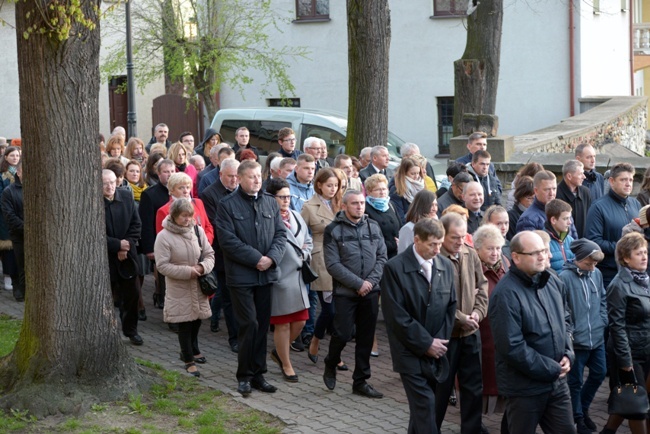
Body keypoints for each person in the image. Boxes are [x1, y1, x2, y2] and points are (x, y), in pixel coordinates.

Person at [489, 231, 575, 434]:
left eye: (544, 251)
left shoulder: (552, 281)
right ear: (516, 257)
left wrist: (568, 353)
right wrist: (552, 369)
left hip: (557, 384)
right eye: (535, 253)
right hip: (524, 388)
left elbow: (566, 321)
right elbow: (512, 346)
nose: (543, 256)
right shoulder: (505, 294)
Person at [216, 160, 287, 397]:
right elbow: (228, 241)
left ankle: (259, 374)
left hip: (265, 275)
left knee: (263, 326)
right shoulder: (227, 205)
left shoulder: (270, 202)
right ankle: (244, 376)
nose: (257, 180)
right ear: (240, 178)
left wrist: (272, 258)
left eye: (259, 176)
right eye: (251, 177)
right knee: (249, 324)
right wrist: (257, 258)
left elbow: (280, 234)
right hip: (242, 276)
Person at [380, 218, 456, 434]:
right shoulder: (394, 268)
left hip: (436, 352)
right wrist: (426, 343)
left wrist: (439, 342)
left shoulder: (446, 266)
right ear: (416, 240)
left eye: (440, 244)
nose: (437, 249)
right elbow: (396, 316)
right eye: (432, 244)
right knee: (425, 406)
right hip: (408, 352)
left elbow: (450, 307)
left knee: (421, 410)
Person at [322, 190, 388, 398]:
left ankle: (360, 381)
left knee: (366, 338)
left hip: (370, 291)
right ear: (344, 206)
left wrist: (369, 282)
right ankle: (331, 362)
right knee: (341, 333)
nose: (360, 207)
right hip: (345, 293)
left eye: (362, 203)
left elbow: (382, 257)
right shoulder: (333, 230)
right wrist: (358, 284)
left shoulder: (373, 226)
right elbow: (332, 264)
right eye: (354, 203)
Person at [435, 212, 488, 434]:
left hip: (470, 333)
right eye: (454, 237)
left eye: (463, 236)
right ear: (442, 235)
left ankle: (472, 428)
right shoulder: (435, 259)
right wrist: (461, 318)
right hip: (445, 337)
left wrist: (477, 313)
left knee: (473, 386)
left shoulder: (470, 253)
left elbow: (482, 285)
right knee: (441, 388)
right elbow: (435, 299)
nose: (460, 242)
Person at [154, 198, 215, 377]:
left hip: (197, 286)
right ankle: (188, 360)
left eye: (190, 216)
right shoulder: (164, 237)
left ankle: (190, 350)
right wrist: (189, 271)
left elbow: (209, 254)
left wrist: (203, 267)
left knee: (196, 320)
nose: (188, 219)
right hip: (179, 287)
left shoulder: (197, 230)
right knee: (184, 324)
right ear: (174, 216)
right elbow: (162, 266)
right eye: (184, 216)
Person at [601, 232, 650, 434]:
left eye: (645, 252)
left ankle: (607, 431)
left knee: (635, 398)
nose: (645, 257)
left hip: (646, 347)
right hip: (629, 353)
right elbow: (617, 327)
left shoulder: (645, 280)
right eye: (639, 253)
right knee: (637, 409)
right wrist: (625, 362)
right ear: (626, 258)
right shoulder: (618, 286)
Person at [301, 168, 349, 371]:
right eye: (329, 185)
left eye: (336, 185)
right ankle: (316, 341)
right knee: (330, 310)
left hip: (345, 258)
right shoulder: (309, 206)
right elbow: (302, 234)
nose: (333, 189)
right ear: (319, 184)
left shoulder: (342, 203)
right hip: (323, 261)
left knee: (342, 312)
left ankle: (334, 353)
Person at [266, 178, 312, 382]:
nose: (286, 200)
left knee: (301, 320)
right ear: (272, 198)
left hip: (298, 275)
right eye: (282, 197)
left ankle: (279, 352)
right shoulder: (267, 218)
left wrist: (306, 253)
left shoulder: (295, 215)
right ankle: (286, 363)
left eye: (288, 196)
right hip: (280, 276)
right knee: (282, 324)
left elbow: (308, 240)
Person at [559, 239, 607, 434]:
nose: (593, 267)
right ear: (578, 259)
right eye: (589, 263)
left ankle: (583, 408)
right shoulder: (564, 278)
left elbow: (602, 299)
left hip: (596, 337)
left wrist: (602, 320)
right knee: (575, 382)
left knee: (599, 373)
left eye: (595, 263)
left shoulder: (597, 274)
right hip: (577, 342)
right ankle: (577, 418)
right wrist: (570, 333)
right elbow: (563, 310)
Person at [199, 158, 241, 349]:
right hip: (223, 254)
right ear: (220, 175)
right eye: (230, 176)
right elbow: (217, 224)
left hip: (243, 253)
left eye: (236, 176)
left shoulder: (242, 190)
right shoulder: (210, 194)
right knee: (228, 297)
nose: (234, 180)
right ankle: (234, 337)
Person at [473, 224, 509, 433]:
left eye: (498, 248)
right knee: (477, 382)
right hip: (479, 335)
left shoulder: (506, 264)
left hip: (500, 337)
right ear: (477, 249)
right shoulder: (471, 268)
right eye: (489, 248)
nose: (495, 253)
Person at [102, 169, 143, 346]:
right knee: (106, 296)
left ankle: (131, 330)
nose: (110, 186)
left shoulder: (126, 197)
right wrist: (117, 245)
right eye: (105, 183)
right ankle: (105, 333)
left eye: (112, 182)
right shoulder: (92, 202)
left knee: (132, 295)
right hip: (105, 257)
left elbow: (136, 224)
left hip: (127, 255)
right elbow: (94, 232)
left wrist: (126, 244)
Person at [586, 162, 641, 288]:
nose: (628, 183)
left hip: (634, 271)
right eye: (623, 180)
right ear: (611, 181)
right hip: (609, 274)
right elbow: (593, 241)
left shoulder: (635, 204)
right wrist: (622, 247)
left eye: (631, 180)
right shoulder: (598, 207)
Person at [139, 159, 174, 309]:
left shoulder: (183, 191)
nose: (169, 175)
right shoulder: (150, 195)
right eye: (166, 172)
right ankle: (162, 298)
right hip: (159, 242)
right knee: (163, 278)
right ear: (159, 174)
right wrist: (149, 248)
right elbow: (146, 224)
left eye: (172, 171)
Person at [155, 173, 213, 246]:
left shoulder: (198, 203)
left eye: (188, 187)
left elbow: (208, 226)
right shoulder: (164, 210)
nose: (185, 191)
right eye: (181, 188)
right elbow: (163, 240)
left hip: (203, 248)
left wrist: (206, 242)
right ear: (171, 190)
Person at [1, 161, 24, 303]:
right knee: (19, 265)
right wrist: (27, 228)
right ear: (18, 172)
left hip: (35, 237)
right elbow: (10, 216)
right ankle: (19, 289)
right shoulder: (8, 192)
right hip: (18, 236)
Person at [556, 160, 591, 238]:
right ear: (569, 176)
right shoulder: (556, 194)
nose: (584, 177)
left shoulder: (585, 192)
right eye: (580, 174)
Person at [398, 189, 438, 254]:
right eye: (431, 205)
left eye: (436, 205)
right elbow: (403, 255)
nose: (434, 209)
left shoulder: (438, 225)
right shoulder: (409, 229)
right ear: (422, 206)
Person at [390, 157, 426, 225]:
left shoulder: (421, 185)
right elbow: (400, 216)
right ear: (404, 173)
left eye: (418, 173)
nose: (416, 176)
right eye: (412, 174)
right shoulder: (396, 190)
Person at [544, 199, 575, 273]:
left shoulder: (570, 240)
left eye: (570, 218)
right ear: (553, 220)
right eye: (565, 218)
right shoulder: (544, 242)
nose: (570, 222)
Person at [507, 175, 534, 240]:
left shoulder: (537, 213)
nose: (532, 201)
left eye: (534, 198)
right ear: (520, 196)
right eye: (529, 198)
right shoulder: (511, 216)